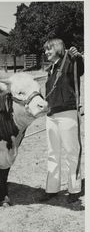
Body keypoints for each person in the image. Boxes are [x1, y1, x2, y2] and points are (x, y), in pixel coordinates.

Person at [40, 38, 84, 203]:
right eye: (45, 50)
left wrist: (77, 56)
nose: (46, 53)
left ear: (57, 48)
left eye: (49, 49)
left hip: (67, 114)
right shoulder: (50, 69)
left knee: (72, 153)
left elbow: (80, 69)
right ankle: (52, 189)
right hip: (51, 115)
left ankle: (74, 189)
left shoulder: (70, 61)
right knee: (53, 153)